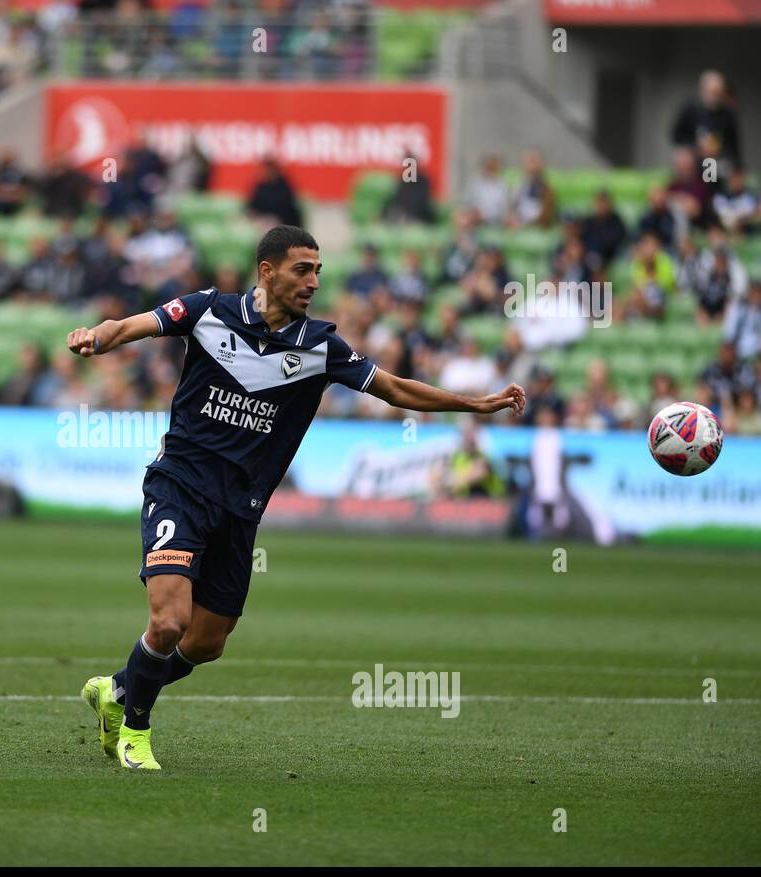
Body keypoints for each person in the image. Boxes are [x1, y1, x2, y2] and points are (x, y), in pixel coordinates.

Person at [66, 225, 525, 770]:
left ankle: (117, 691)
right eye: (302, 269)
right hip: (180, 486)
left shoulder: (321, 348)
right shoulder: (209, 310)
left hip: (240, 510)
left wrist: (475, 405)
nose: (312, 281)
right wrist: (98, 335)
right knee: (169, 621)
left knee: (206, 642)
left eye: (318, 271)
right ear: (268, 271)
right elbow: (137, 324)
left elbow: (396, 389)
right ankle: (135, 731)